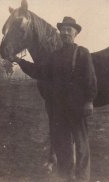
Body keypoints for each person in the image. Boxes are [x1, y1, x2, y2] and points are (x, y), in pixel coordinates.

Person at [9, 16, 97, 182]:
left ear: (75, 33)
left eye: (68, 30)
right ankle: (66, 176)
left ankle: (83, 178)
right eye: (62, 29)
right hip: (59, 108)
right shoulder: (54, 56)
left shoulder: (82, 52)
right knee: (62, 144)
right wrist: (19, 61)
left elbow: (90, 79)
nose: (65, 33)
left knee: (81, 144)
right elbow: (39, 72)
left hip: (77, 107)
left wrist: (89, 101)